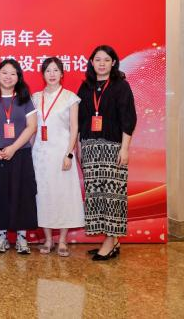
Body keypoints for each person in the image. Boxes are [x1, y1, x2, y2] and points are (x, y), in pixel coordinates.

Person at [77, 45, 136, 261]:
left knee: (113, 196)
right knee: (96, 195)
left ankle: (109, 241)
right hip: (90, 148)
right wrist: (79, 147)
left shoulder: (121, 86)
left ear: (113, 63)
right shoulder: (86, 87)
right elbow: (80, 120)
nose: (101, 63)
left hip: (113, 147)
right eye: (97, 59)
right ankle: (113, 240)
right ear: (92, 62)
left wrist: (125, 148)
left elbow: (128, 119)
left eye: (106, 60)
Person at [0, 59, 38, 254]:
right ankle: (1, 236)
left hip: (20, 153)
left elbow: (32, 126)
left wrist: (14, 147)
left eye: (13, 73)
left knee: (22, 194)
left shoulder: (25, 99)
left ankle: (22, 237)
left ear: (18, 77)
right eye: (4, 72)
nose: (8, 77)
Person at [31, 57, 84, 257]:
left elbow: (74, 128)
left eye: (55, 70)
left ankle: (62, 240)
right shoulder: (36, 98)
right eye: (48, 71)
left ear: (62, 73)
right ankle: (48, 239)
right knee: (43, 195)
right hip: (40, 154)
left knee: (63, 195)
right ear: (43, 74)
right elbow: (32, 128)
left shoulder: (70, 98)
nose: (52, 74)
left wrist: (69, 153)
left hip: (62, 154)